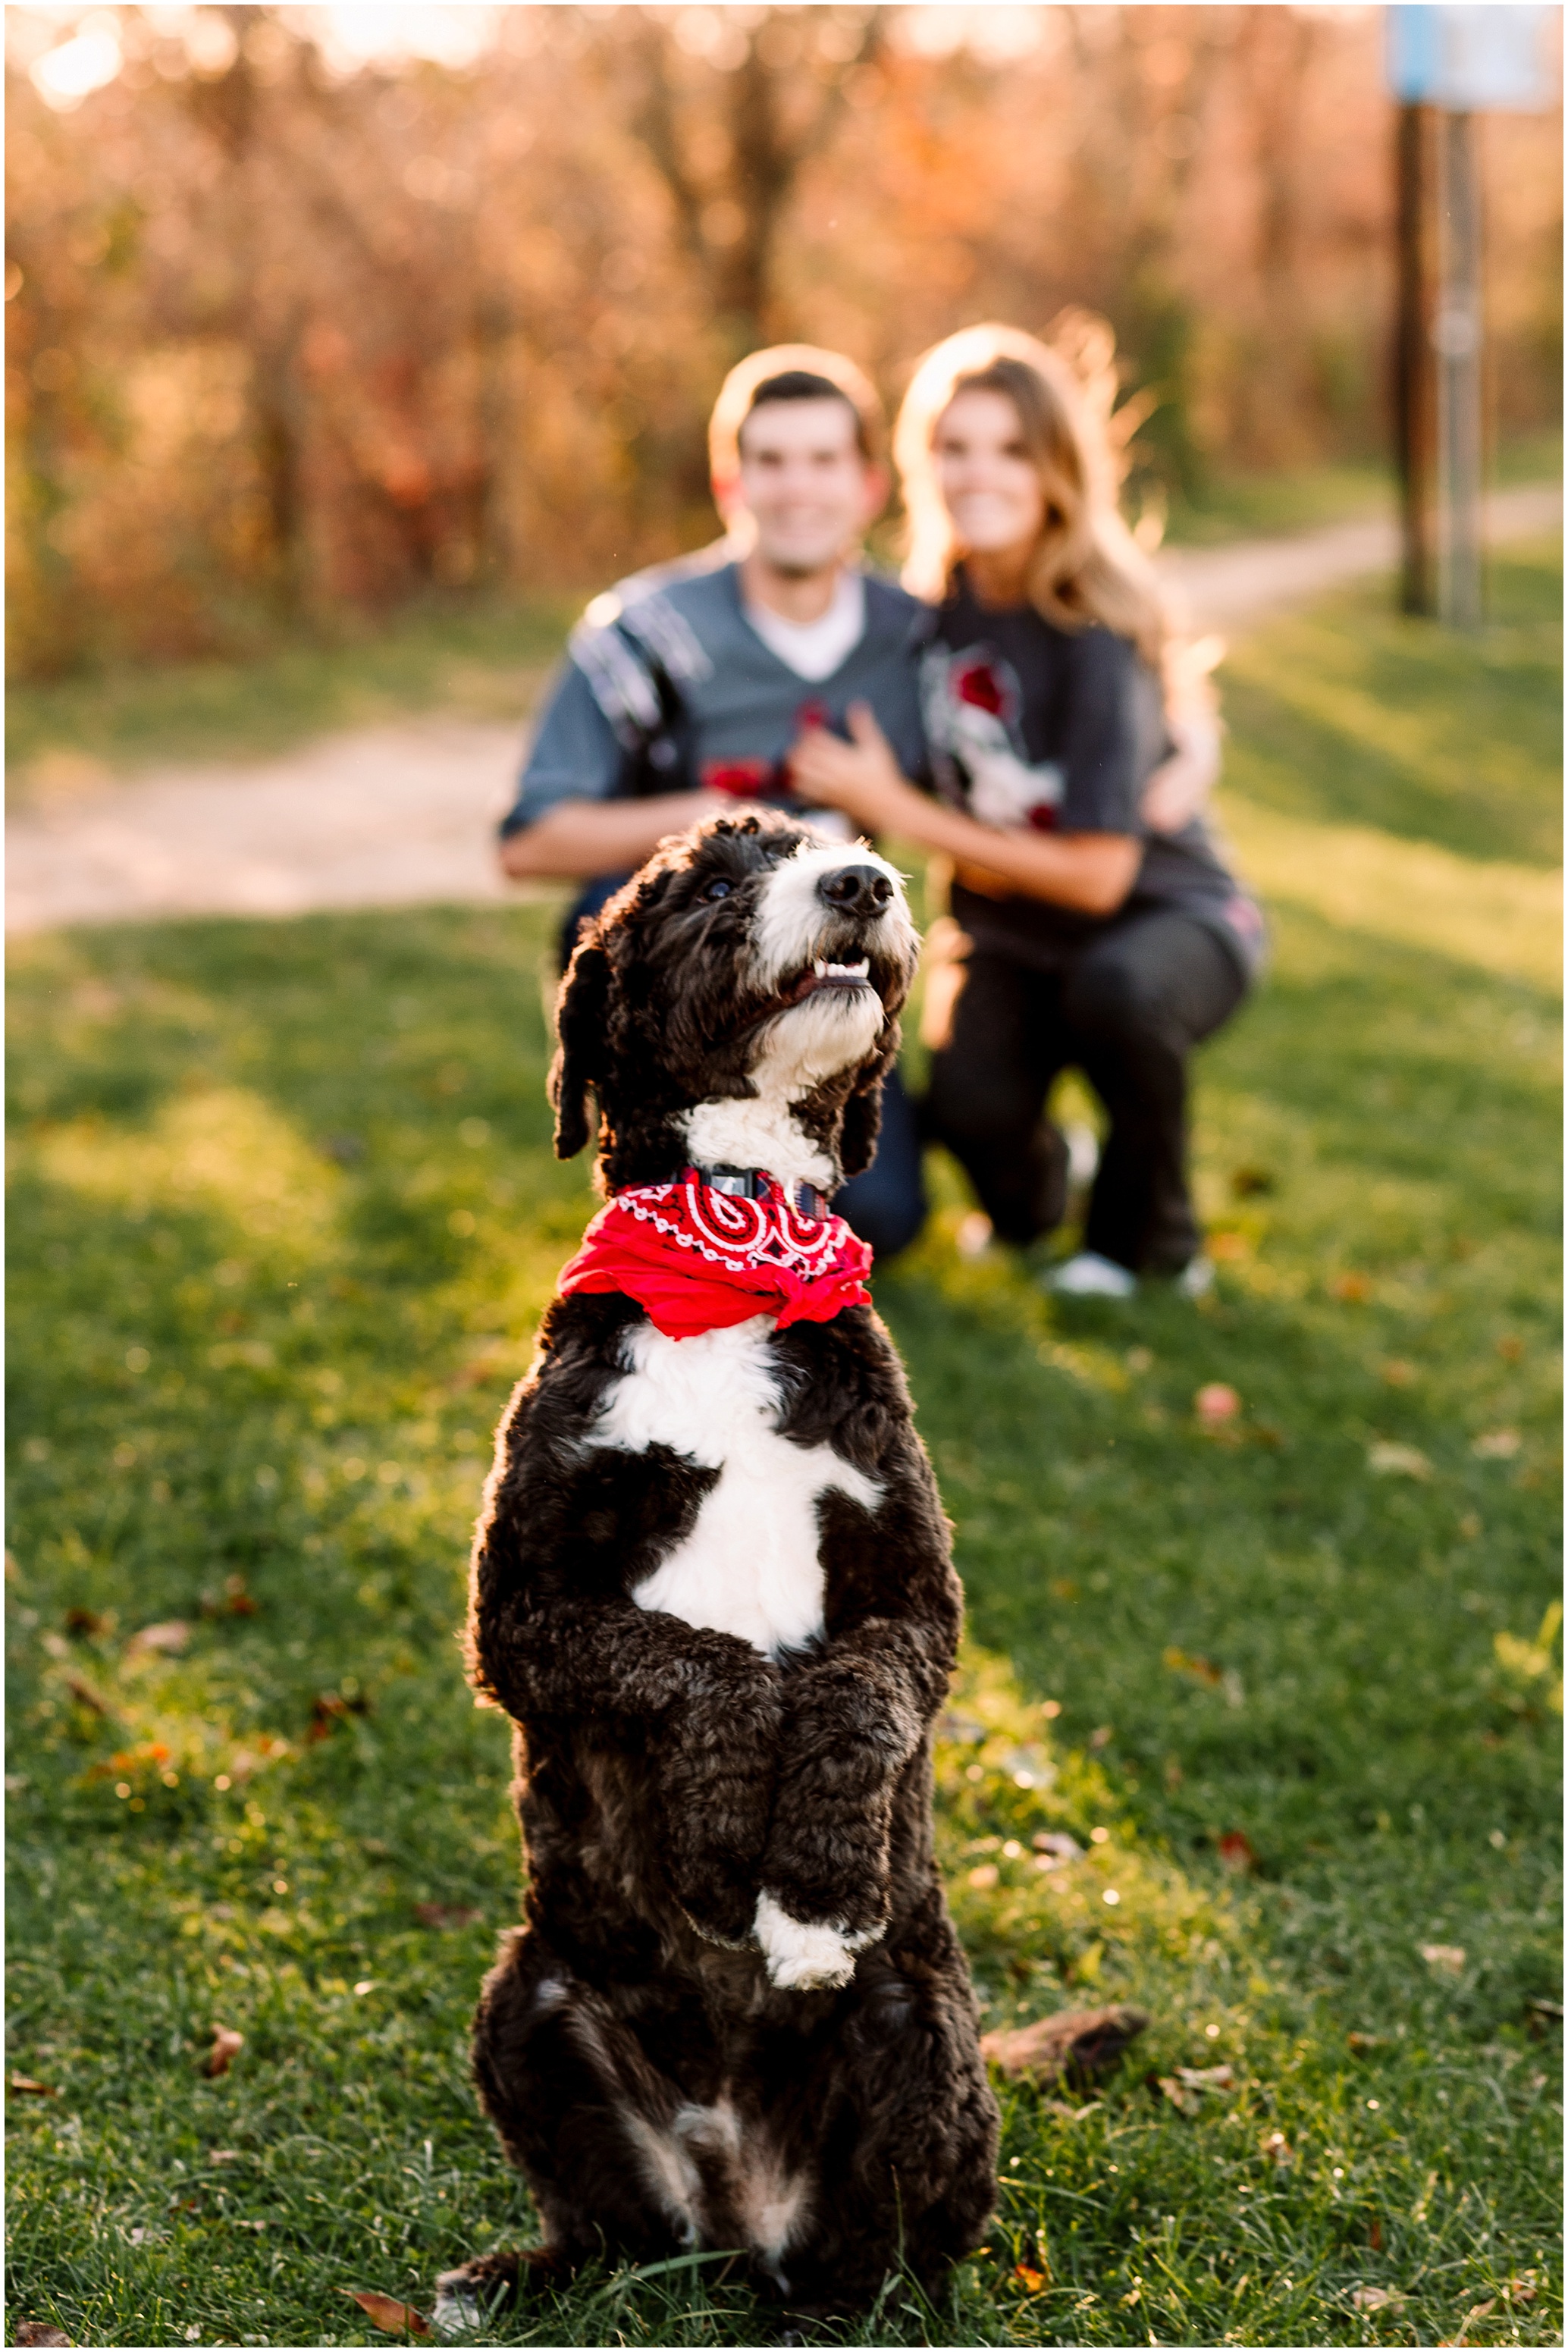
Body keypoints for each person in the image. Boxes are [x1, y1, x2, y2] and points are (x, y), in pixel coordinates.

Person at [789, 319, 1264, 1297]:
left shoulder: (1091, 625)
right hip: (1010, 933)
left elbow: (1100, 877)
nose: (980, 474)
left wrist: (895, 810)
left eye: (1009, 448)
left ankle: (1148, 1243)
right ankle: (1044, 1191)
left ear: (1055, 463)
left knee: (1119, 993)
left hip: (1166, 918)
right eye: (954, 448)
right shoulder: (927, 614)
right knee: (967, 1106)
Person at [497, 343, 931, 1258]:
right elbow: (530, 840)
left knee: (882, 1219)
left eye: (823, 461)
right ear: (729, 480)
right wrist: (711, 818)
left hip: (837, 969)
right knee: (596, 912)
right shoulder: (648, 631)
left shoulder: (916, 638)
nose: (796, 489)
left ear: (868, 485)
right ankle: (660, 1165)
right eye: (770, 461)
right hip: (712, 973)